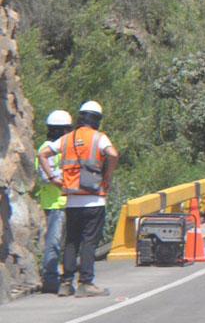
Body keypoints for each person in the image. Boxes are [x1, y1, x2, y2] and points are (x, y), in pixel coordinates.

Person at [39, 101, 118, 298]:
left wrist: (52, 178)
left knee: (71, 242)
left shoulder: (67, 138)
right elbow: (113, 154)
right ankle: (86, 283)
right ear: (97, 119)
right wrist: (108, 176)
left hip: (72, 199)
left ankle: (66, 283)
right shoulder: (99, 137)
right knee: (89, 241)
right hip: (94, 199)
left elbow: (43, 154)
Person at [36, 110, 73, 293]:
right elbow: (46, 177)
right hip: (55, 204)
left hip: (65, 203)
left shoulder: (59, 149)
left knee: (64, 243)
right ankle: (50, 279)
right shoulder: (47, 149)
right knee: (54, 242)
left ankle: (61, 276)